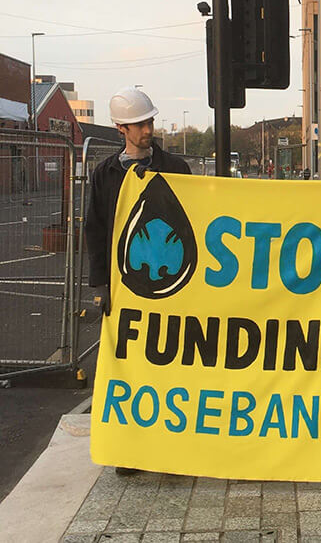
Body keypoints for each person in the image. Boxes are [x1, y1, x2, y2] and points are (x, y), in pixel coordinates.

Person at [84, 87, 191, 476]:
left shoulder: (176, 167)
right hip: (123, 285)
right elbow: (96, 230)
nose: (147, 129)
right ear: (120, 129)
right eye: (138, 124)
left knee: (172, 366)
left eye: (149, 121)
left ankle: (172, 450)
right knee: (131, 371)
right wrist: (102, 287)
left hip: (173, 283)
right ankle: (132, 452)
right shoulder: (106, 174)